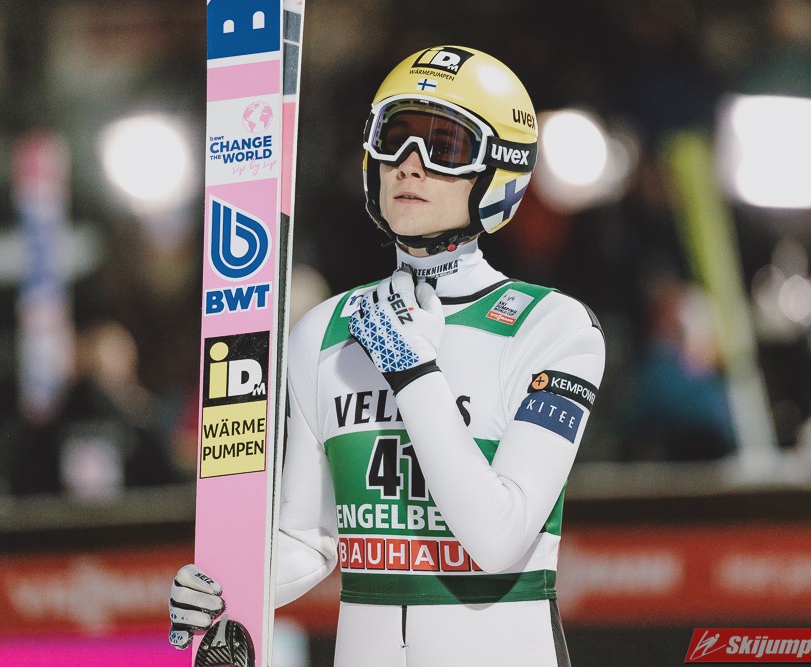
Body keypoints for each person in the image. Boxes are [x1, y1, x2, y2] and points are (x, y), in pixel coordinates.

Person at [169, 45, 606, 666]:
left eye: (445, 146)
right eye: (394, 139)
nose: (410, 165)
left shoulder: (554, 327)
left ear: (500, 170)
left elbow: (498, 538)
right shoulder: (323, 331)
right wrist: (228, 586)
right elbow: (310, 539)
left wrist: (412, 371)